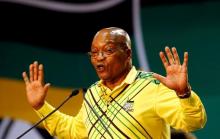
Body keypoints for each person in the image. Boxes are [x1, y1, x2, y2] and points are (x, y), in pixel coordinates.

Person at [22, 27, 207, 139]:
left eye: (107, 50)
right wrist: (40, 106)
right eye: (94, 53)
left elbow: (193, 123)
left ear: (127, 54)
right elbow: (74, 131)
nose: (99, 58)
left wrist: (184, 94)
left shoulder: (151, 86)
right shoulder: (94, 93)